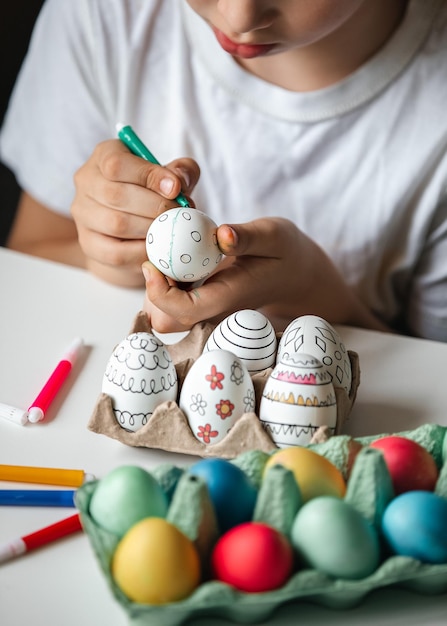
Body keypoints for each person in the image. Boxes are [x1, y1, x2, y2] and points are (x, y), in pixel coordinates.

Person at [1, 0, 447, 340]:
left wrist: (315, 297)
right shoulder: (107, 16)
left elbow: (431, 393)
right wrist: (109, 258)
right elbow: (28, 261)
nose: (238, 17)